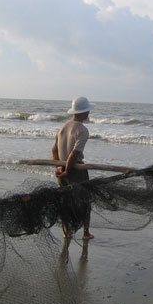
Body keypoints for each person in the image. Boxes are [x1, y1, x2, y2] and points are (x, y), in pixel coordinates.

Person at [51, 96, 95, 240]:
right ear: (84, 112)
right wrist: (68, 171)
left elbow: (54, 150)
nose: (89, 113)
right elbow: (74, 154)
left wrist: (59, 167)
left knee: (65, 201)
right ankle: (86, 233)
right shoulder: (82, 130)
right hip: (76, 171)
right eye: (88, 111)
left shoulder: (63, 127)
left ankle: (67, 232)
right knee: (85, 202)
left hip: (61, 170)